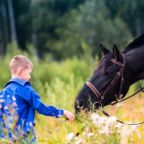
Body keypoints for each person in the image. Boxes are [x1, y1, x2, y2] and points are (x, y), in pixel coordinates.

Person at [1, 55, 75, 143]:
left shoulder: (2, 93)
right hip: (25, 137)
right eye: (29, 73)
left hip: (6, 138)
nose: (30, 77)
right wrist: (62, 112)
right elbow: (42, 108)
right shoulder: (26, 90)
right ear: (21, 71)